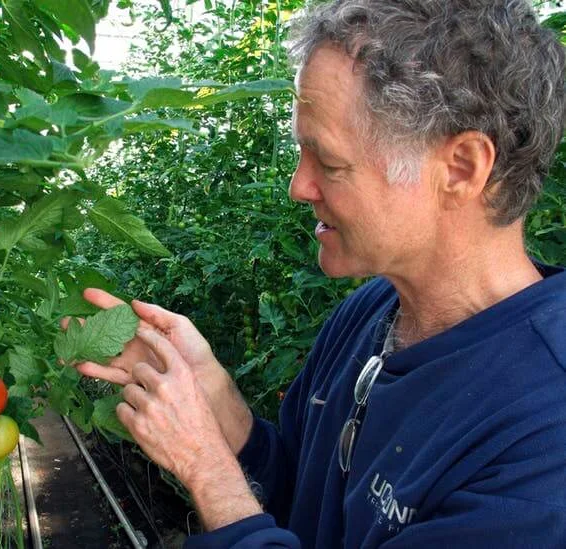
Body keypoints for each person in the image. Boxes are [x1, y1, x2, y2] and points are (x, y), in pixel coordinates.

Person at [64, 1, 566, 547]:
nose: (298, 187)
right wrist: (221, 410)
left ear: (461, 168)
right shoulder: (370, 312)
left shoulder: (544, 433)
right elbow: (299, 501)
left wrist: (205, 467)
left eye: (329, 163)